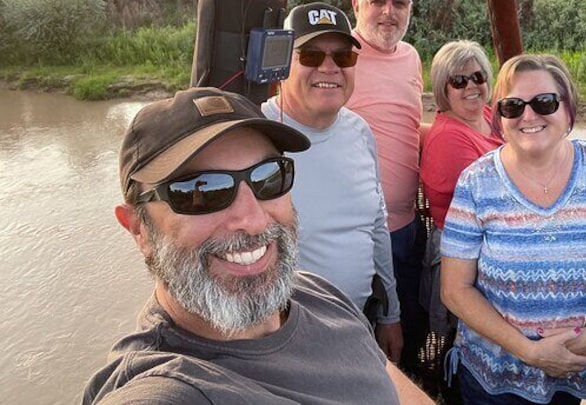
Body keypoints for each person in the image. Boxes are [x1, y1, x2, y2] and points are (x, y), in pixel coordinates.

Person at [82, 87, 434, 405]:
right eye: (201, 191)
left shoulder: (317, 293)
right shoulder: (167, 387)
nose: (252, 219)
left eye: (268, 177)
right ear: (138, 228)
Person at [440, 54, 586, 404]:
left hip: (576, 368)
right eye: (513, 107)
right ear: (500, 119)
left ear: (568, 110)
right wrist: (529, 351)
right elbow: (454, 289)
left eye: (545, 102)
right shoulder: (477, 183)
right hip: (495, 378)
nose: (529, 115)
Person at [260, 1, 403, 362]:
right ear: (281, 63)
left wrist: (391, 314)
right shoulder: (254, 135)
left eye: (343, 57)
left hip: (359, 325)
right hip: (285, 342)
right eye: (310, 55)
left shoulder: (360, 131)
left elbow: (376, 227)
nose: (329, 67)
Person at [346, 0, 428, 372]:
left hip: (408, 227)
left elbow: (405, 123)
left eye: (399, 2)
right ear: (356, 5)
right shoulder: (335, 61)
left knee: (410, 328)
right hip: (358, 236)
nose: (388, 12)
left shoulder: (411, 58)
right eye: (377, 1)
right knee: (359, 342)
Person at [419, 40, 504, 336]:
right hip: (464, 256)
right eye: (459, 81)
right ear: (444, 88)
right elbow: (488, 204)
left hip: (492, 247)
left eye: (478, 77)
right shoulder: (449, 139)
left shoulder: (489, 115)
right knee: (470, 336)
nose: (471, 86)